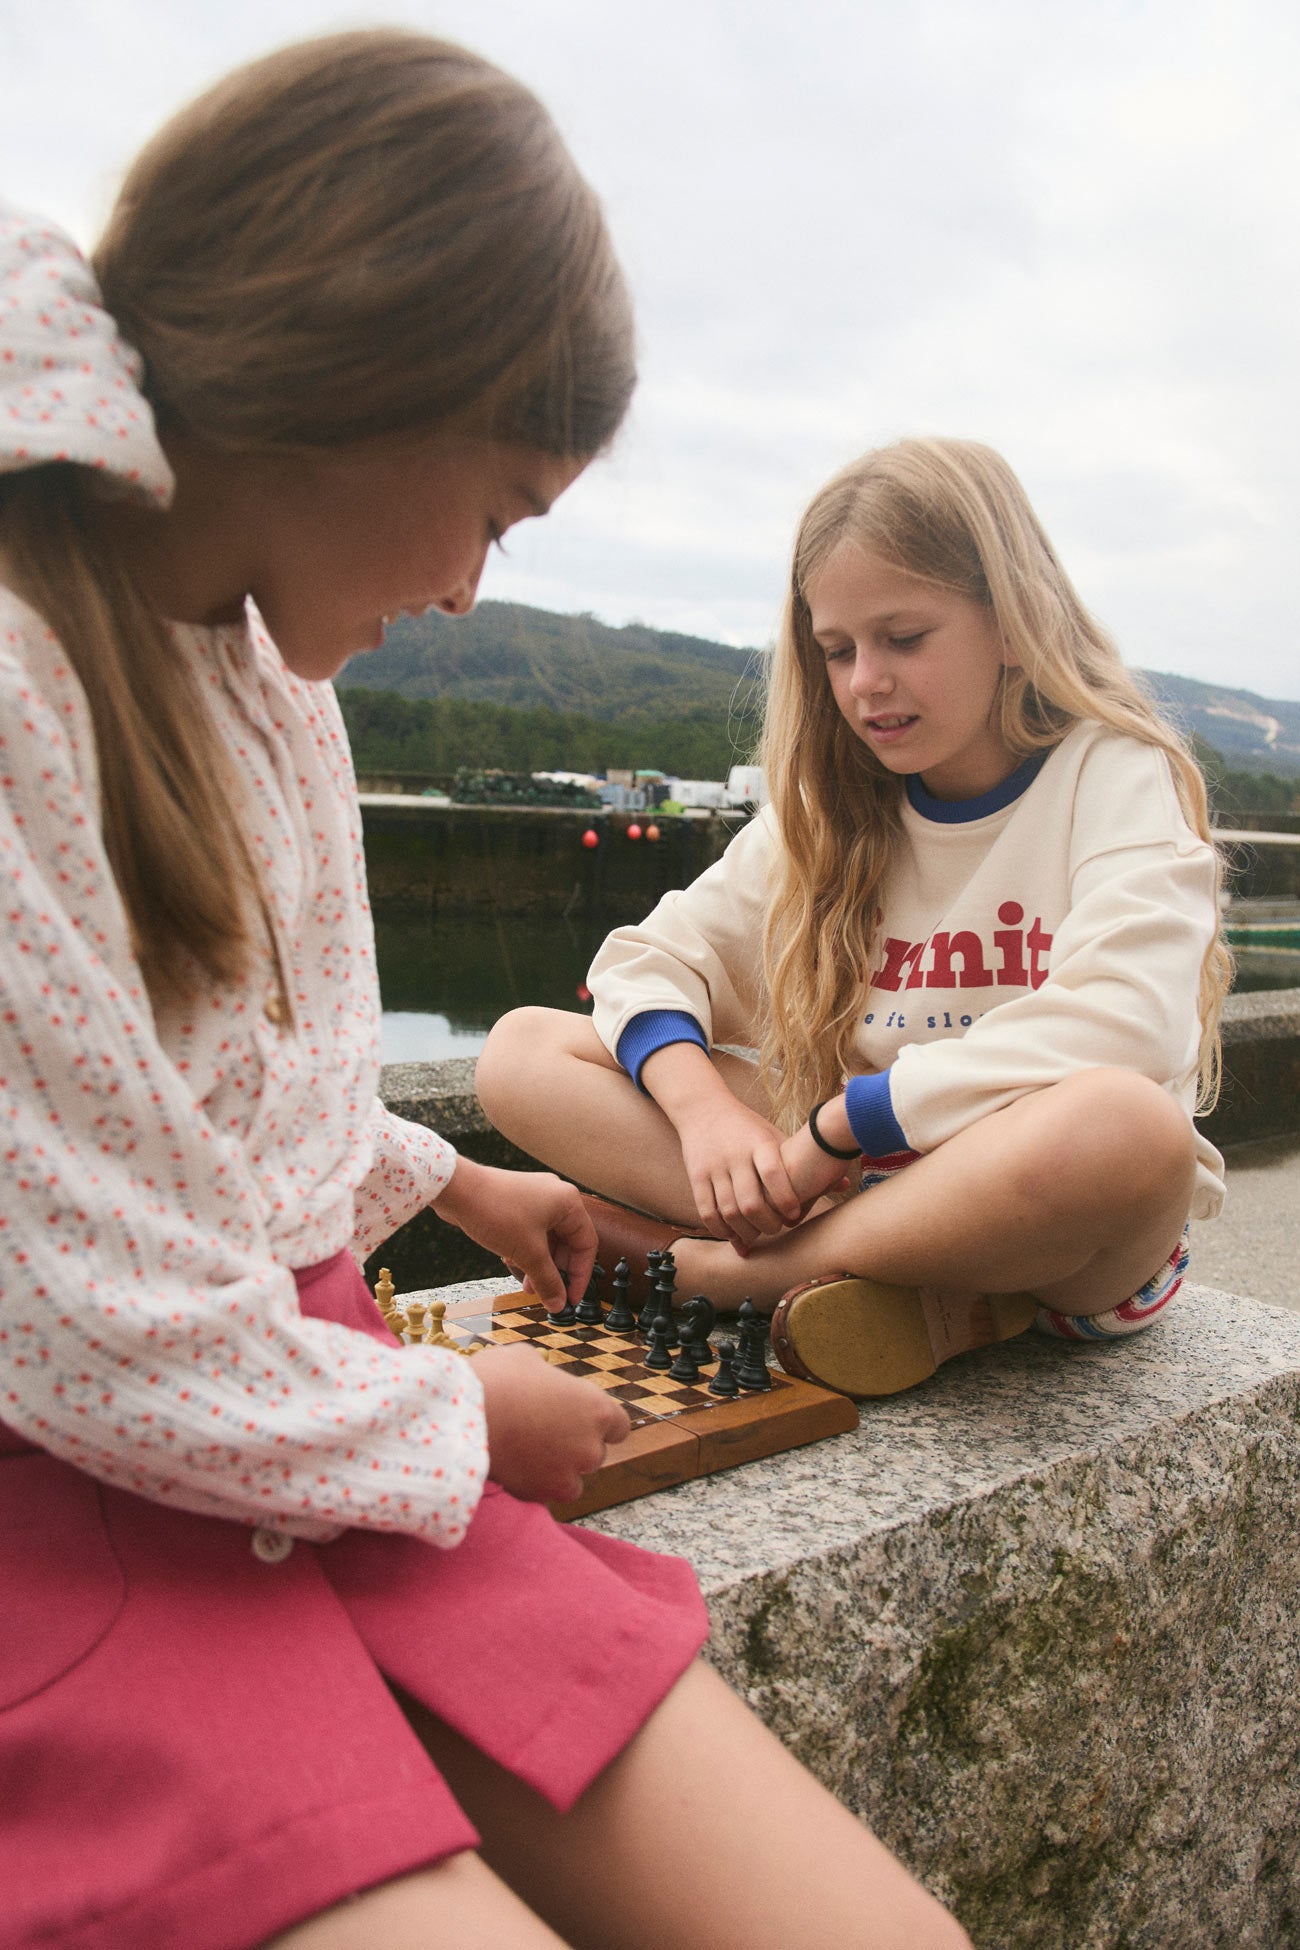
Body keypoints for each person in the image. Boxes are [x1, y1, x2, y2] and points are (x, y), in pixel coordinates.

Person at [0, 35, 969, 1950]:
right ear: (364, 393)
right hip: (101, 1502)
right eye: (505, 511)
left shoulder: (257, 670)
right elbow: (73, 1316)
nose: (469, 585)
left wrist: (442, 1182)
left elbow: (178, 1090)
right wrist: (453, 1429)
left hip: (291, 1421)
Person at [479, 437, 1228, 1396]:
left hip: (1046, 1218)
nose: (866, 680)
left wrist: (843, 1126)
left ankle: (736, 1274)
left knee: (1132, 1127)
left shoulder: (1112, 771)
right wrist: (704, 1114)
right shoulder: (827, 812)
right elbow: (645, 960)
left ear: (1012, 622)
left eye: (904, 638)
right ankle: (913, 1294)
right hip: (851, 1183)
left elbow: (1130, 1022)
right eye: (838, 651)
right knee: (521, 1051)